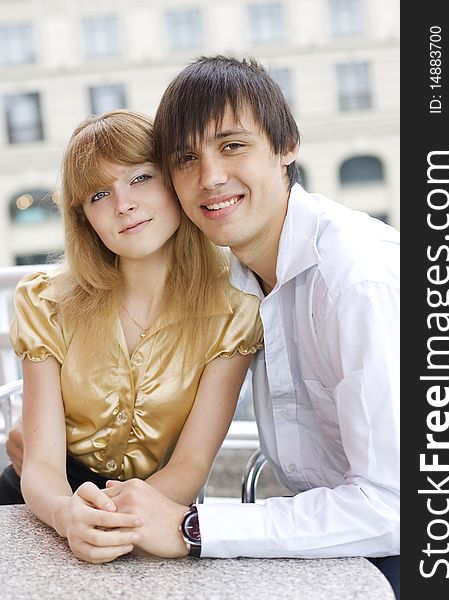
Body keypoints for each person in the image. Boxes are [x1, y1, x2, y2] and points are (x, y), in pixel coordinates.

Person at [101, 56, 401, 597]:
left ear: (287, 146)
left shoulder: (354, 277)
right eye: (186, 158)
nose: (210, 177)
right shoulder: (235, 280)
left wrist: (195, 526)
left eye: (233, 145)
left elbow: (395, 506)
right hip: (325, 547)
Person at [0, 109, 263, 564]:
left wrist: (113, 520)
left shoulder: (236, 307)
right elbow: (40, 463)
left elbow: (191, 465)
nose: (123, 204)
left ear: (175, 182)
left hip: (158, 511)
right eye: (99, 194)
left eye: (140, 178)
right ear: (85, 220)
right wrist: (68, 515)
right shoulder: (45, 301)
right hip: (40, 512)